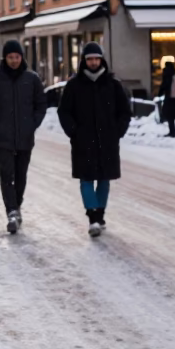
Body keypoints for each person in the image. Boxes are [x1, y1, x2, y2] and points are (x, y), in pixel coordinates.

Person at [57, 42, 131, 235]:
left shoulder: (113, 85)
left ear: (102, 59)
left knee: (104, 180)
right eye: (90, 59)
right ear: (84, 61)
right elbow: (64, 111)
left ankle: (100, 212)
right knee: (86, 179)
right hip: (83, 141)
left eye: (96, 58)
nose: (93, 62)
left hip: (107, 140)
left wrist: (117, 131)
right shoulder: (74, 85)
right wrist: (74, 132)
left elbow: (124, 111)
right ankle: (93, 216)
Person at [0, 40, 47, 233]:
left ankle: (16, 205)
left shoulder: (32, 79)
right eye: (10, 57)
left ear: (21, 57)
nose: (14, 60)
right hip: (2, 139)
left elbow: (41, 104)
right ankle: (11, 212)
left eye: (17, 57)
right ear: (5, 58)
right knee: (7, 176)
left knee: (21, 176)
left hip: (25, 138)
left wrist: (33, 123)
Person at [158, 59, 175, 138]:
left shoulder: (167, 74)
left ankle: (172, 132)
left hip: (170, 98)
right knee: (174, 115)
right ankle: (172, 132)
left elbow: (164, 85)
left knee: (169, 116)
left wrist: (160, 93)